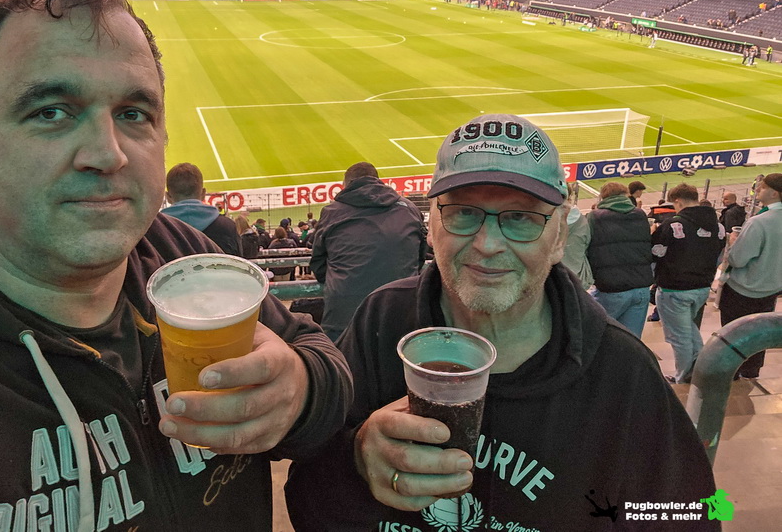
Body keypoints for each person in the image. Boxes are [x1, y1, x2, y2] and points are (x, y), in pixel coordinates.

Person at [0, 0, 351, 530]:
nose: (107, 154)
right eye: (50, 112)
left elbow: (319, 358)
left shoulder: (182, 256)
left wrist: (300, 388)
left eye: (133, 114)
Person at [287, 113, 717, 531]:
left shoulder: (623, 373)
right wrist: (356, 460)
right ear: (431, 225)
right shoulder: (380, 321)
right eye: (463, 212)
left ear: (559, 237)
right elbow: (306, 501)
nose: (488, 244)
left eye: (521, 217)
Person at [310, 161, 426, 342]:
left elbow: (318, 264)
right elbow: (419, 259)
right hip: (401, 313)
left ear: (346, 185)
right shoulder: (410, 208)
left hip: (343, 317)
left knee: (340, 358)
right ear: (378, 181)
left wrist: (341, 279)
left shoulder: (331, 212)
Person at [652, 183, 725, 384]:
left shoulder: (673, 225)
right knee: (689, 331)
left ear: (678, 201)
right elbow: (719, 256)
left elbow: (656, 254)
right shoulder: (718, 226)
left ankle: (683, 377)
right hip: (702, 287)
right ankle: (699, 369)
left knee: (679, 336)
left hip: (674, 288)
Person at [718, 173, 782, 379]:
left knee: (734, 333)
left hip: (743, 289)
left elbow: (738, 259)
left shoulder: (759, 222)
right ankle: (752, 369)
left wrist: (733, 242)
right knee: (760, 331)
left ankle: (733, 371)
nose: (758, 190)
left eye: (763, 187)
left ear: (774, 193)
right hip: (771, 288)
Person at [586, 182, 654, 337]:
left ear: (603, 197)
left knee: (597, 338)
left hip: (612, 288)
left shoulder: (595, 217)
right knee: (631, 342)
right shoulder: (640, 214)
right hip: (641, 287)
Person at [162, 163, 242, 256]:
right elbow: (238, 262)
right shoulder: (228, 227)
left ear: (167, 197)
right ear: (203, 193)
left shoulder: (154, 230)